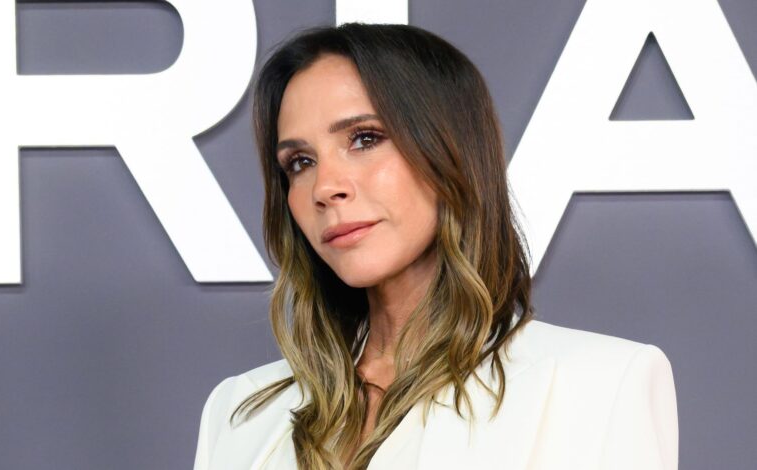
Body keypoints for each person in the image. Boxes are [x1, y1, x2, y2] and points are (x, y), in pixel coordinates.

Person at [192, 23, 678, 470]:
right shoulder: (238, 413)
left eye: (365, 139)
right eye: (300, 162)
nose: (325, 187)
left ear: (451, 150)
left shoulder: (601, 385)